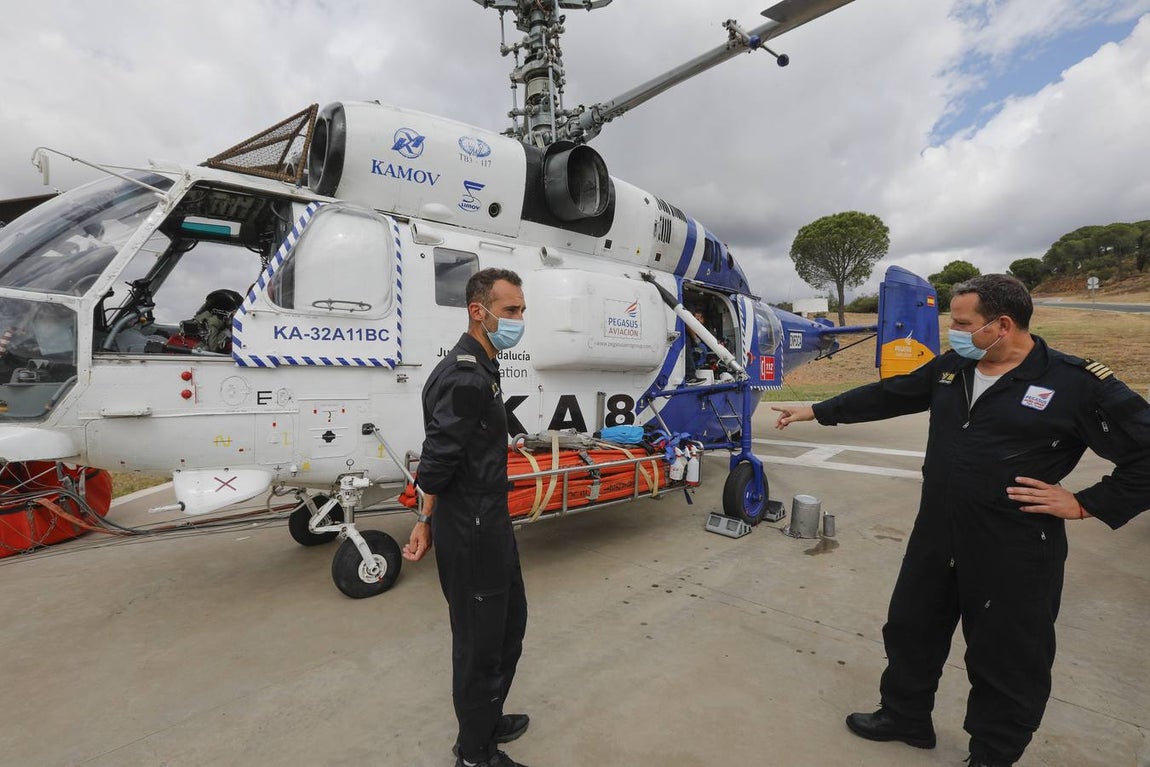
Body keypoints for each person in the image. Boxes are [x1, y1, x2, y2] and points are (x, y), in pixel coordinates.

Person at [772, 274, 1150, 767]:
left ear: (1003, 324)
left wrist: (1087, 503)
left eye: (963, 322)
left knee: (1005, 655)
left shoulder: (1075, 383)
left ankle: (993, 753)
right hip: (938, 530)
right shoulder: (956, 367)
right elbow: (892, 394)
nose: (954, 331)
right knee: (911, 628)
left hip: (1013, 546)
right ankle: (905, 716)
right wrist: (817, 411)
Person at [403, 268, 531, 767]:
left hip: (488, 520)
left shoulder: (483, 365)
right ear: (479, 312)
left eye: (522, 309)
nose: (520, 319)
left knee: (508, 625)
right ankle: (475, 752)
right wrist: (424, 520)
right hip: (472, 525)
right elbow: (437, 459)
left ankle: (486, 718)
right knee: (481, 640)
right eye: (512, 310)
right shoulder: (465, 374)